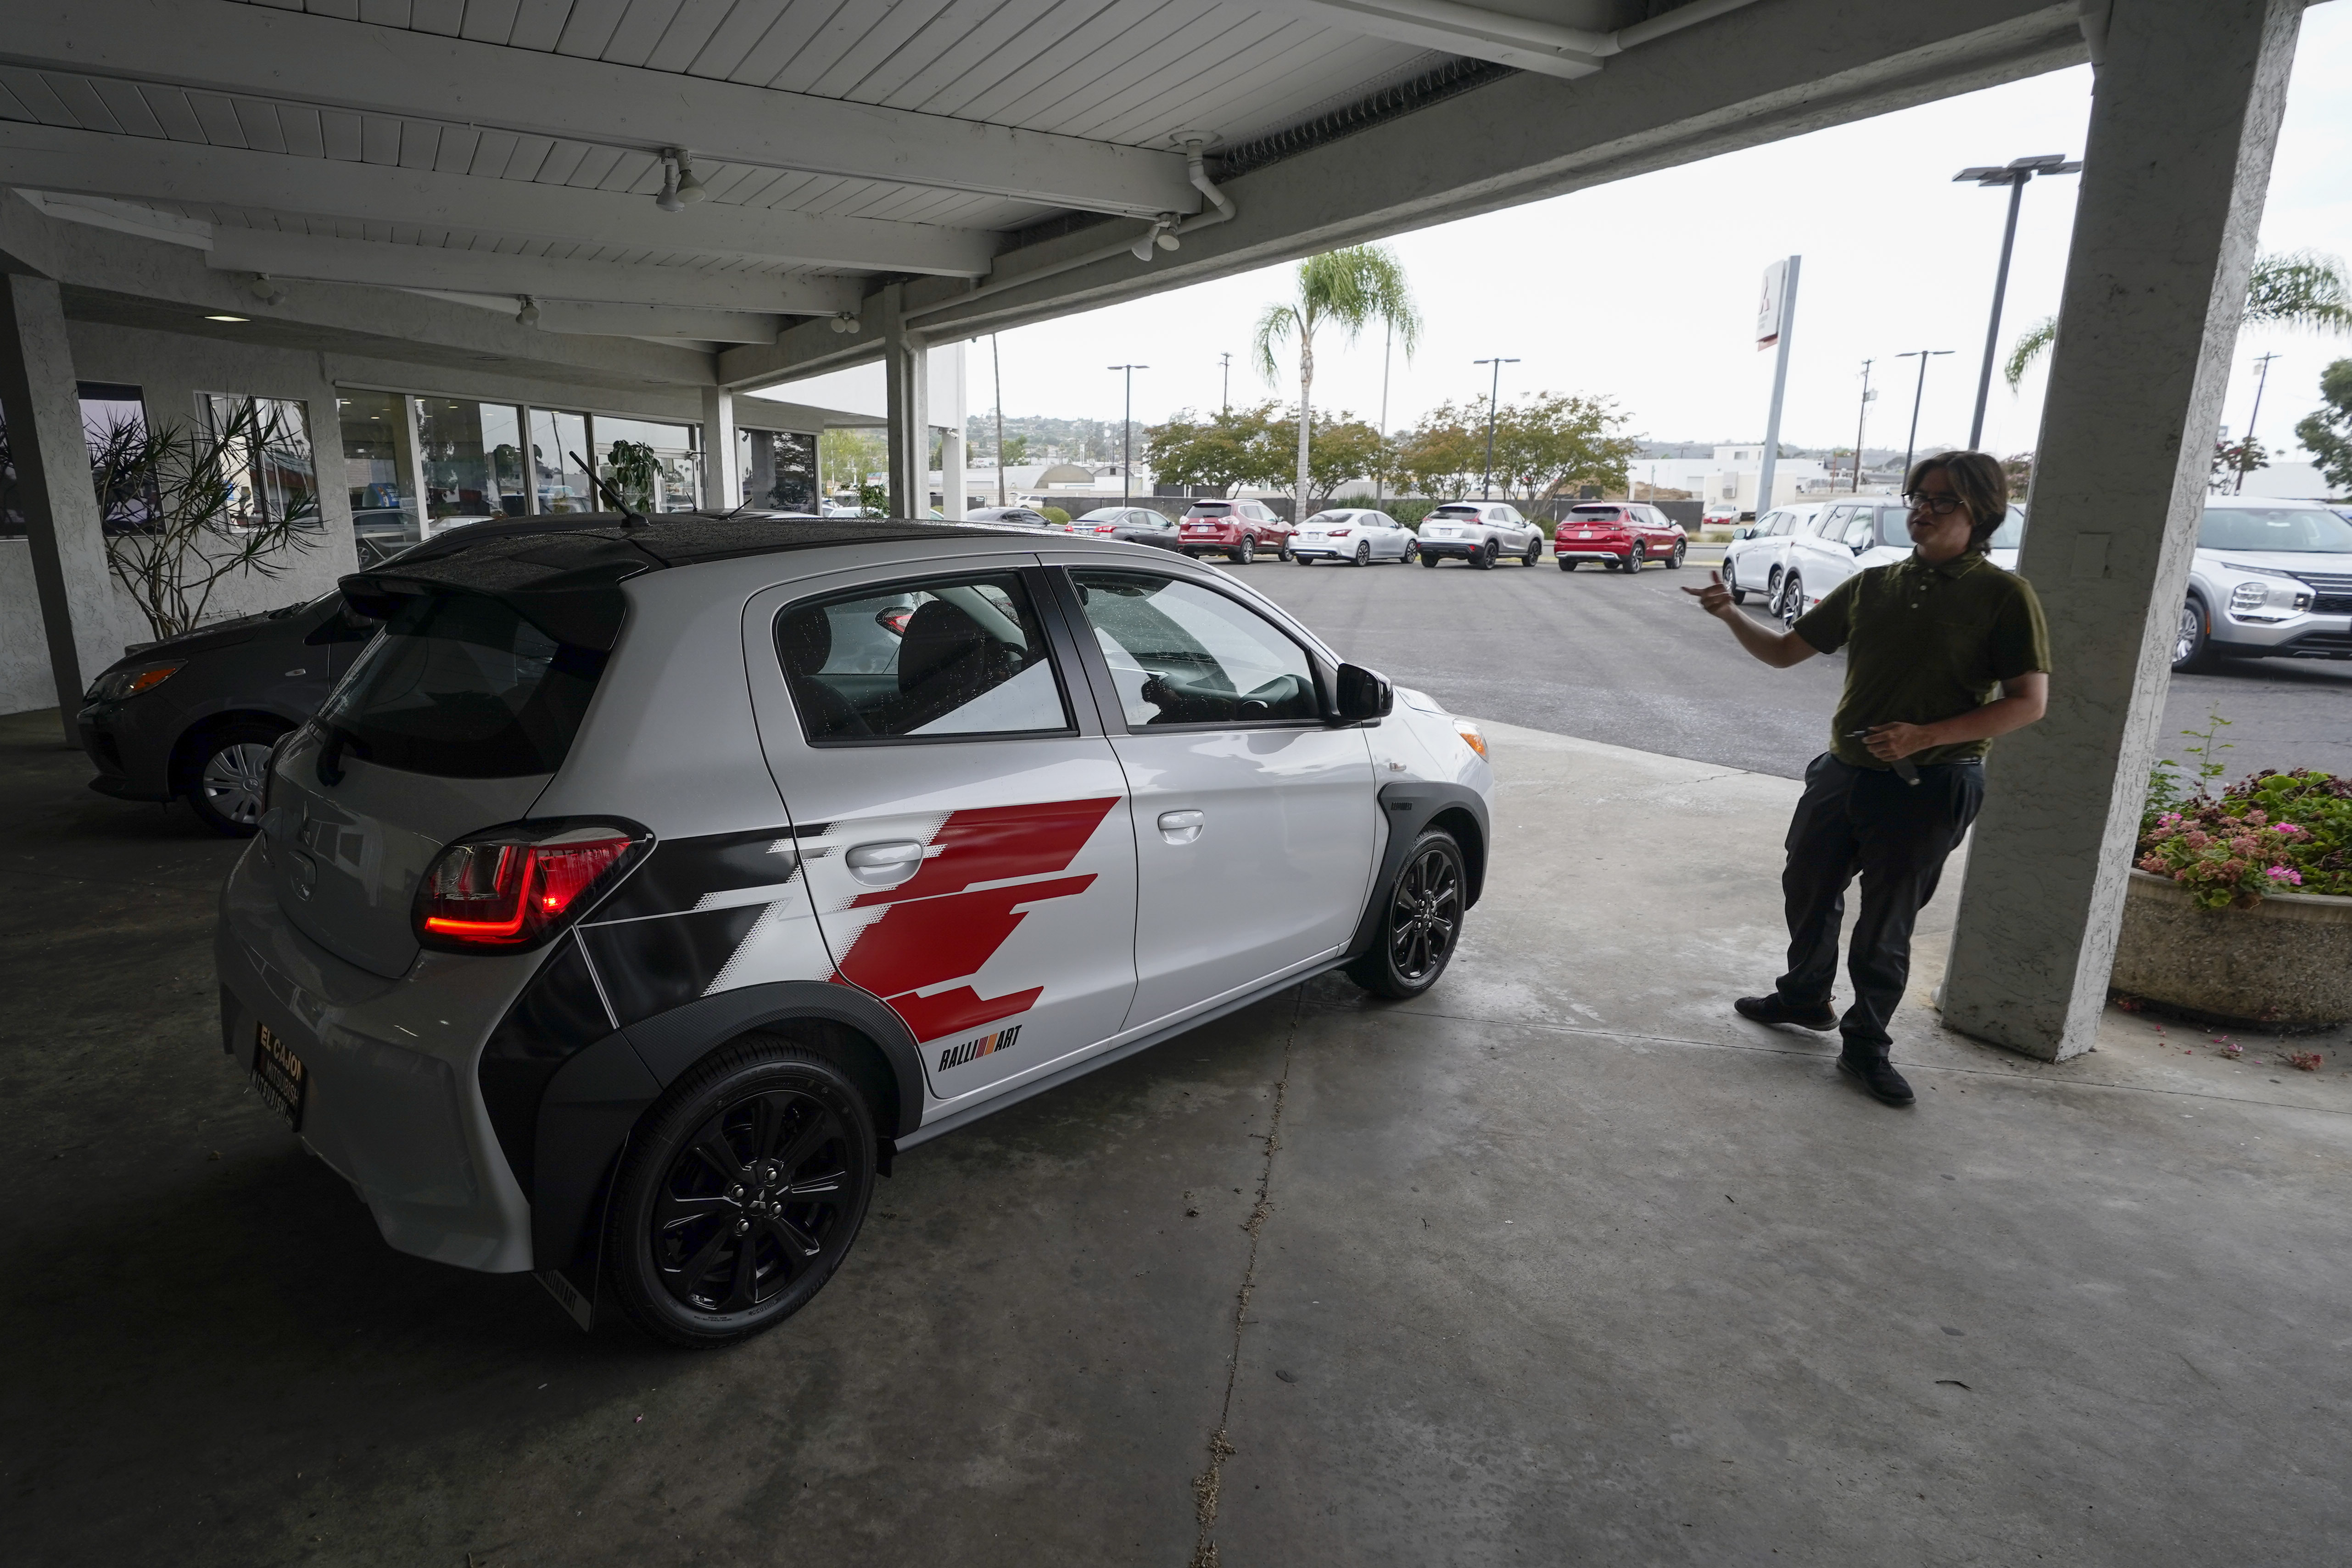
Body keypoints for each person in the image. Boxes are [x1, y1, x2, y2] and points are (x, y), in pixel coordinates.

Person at [1682, 453, 2050, 1106]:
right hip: (1843, 771)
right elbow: (1782, 653)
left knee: (1885, 922)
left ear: (1981, 512)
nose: (1922, 509)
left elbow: (2028, 702)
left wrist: (1925, 734)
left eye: (1942, 501)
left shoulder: (2003, 596)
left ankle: (1865, 1044)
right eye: (1918, 495)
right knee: (1807, 883)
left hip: (1932, 782)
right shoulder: (1870, 584)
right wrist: (1729, 616)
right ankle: (1804, 997)